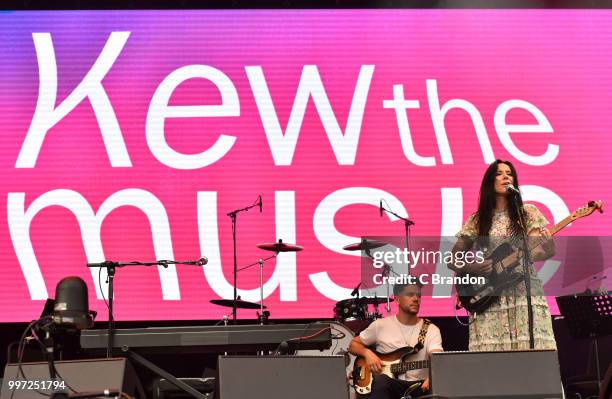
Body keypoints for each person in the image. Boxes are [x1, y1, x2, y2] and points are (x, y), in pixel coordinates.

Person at [449, 159, 556, 351]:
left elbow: (536, 252)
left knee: (532, 352)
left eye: (509, 173)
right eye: (499, 173)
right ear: (490, 181)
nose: (506, 176)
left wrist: (548, 245)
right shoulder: (477, 220)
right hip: (491, 293)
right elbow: (452, 259)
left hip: (524, 291)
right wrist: (473, 267)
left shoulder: (528, 213)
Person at [348, 282, 443, 399]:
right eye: (410, 294)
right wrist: (368, 354)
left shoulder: (431, 329)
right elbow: (353, 345)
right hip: (389, 386)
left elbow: (438, 358)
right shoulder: (380, 325)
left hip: (419, 386)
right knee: (381, 381)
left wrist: (432, 377)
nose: (415, 299)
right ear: (397, 299)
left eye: (418, 296)